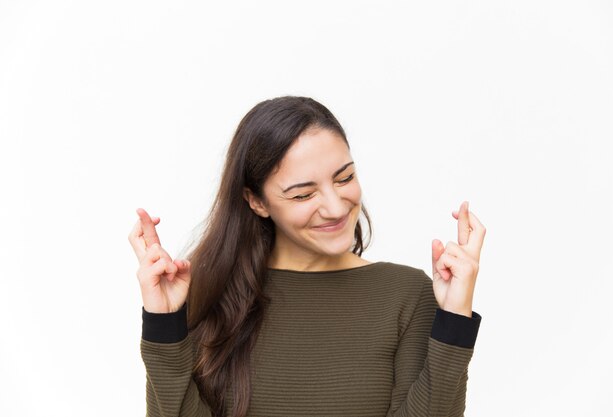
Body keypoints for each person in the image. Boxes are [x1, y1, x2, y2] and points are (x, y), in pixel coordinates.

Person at [128, 96, 486, 417]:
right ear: (256, 201)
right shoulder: (209, 292)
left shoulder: (406, 294)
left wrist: (454, 320)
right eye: (303, 195)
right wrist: (163, 325)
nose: (334, 208)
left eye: (344, 178)